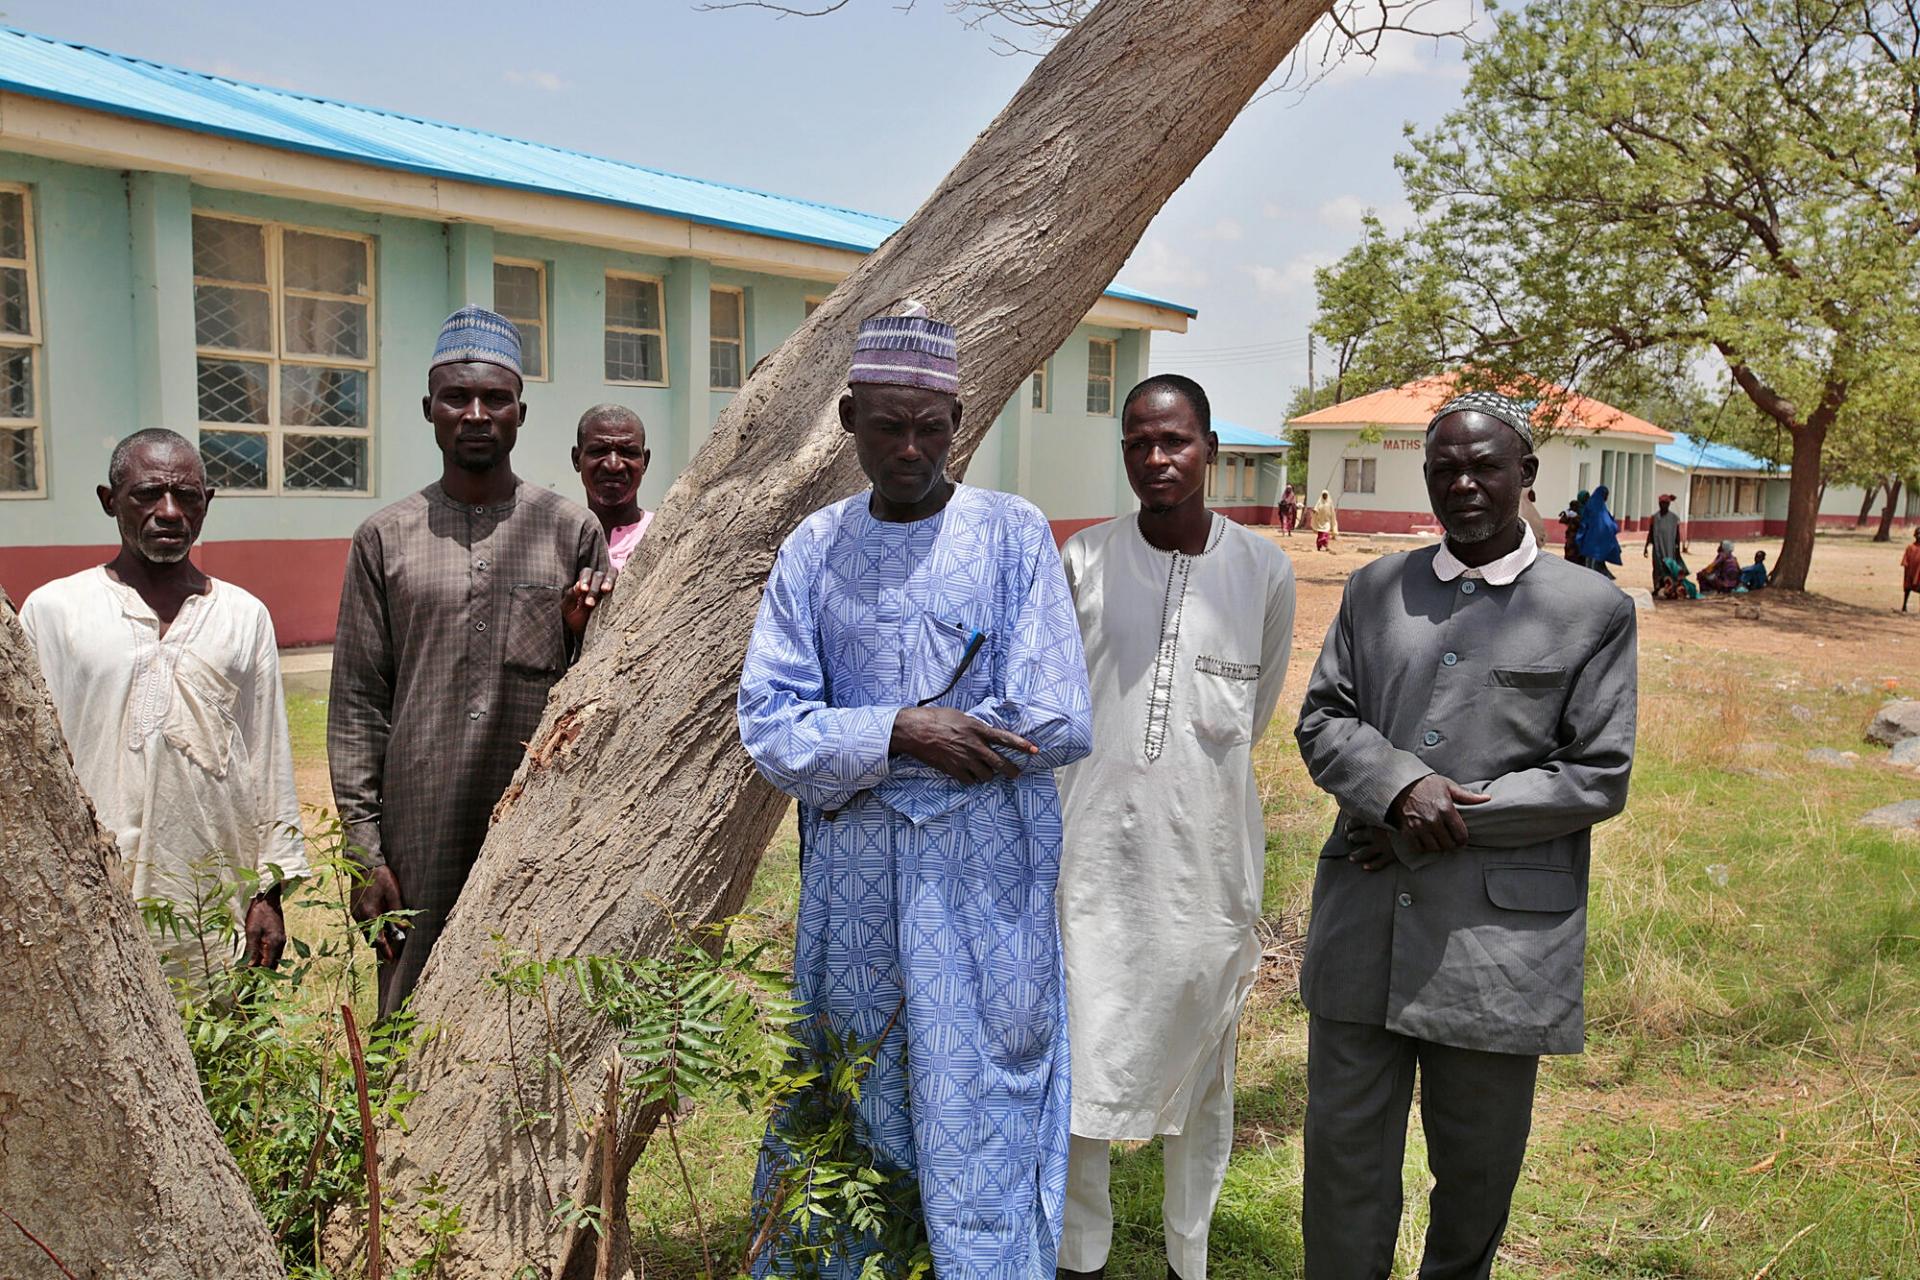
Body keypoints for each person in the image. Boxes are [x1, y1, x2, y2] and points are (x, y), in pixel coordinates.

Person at [736, 302, 1091, 1278]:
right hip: (856, 910)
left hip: (983, 902)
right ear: (849, 416)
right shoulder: (813, 551)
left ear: (959, 419)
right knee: (853, 1101)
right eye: (888, 423)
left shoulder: (1014, 536)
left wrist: (896, 748)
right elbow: (770, 723)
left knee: (983, 1111)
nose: (910, 446)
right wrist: (901, 727)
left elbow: (1059, 713)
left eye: (931, 425)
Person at [1294, 389, 1637, 1280]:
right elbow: (1325, 720)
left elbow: (1595, 774)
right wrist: (1399, 786)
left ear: (1526, 474)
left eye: (1486, 465)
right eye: (1444, 467)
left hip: (1498, 948)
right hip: (1362, 930)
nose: (1465, 483)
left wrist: (1427, 816)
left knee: (1476, 1177)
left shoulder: (1590, 608)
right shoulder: (1376, 589)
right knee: (1342, 1168)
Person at [1055, 375, 1295, 1280]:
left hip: (1206, 861)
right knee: (1083, 1045)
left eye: (1175, 442)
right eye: (1138, 443)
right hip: (1089, 857)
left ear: (1210, 451)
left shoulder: (1263, 570)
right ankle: (1082, 1252)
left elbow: (1255, 711)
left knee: (1204, 1064)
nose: (1156, 459)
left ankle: (1186, 1256)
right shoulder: (1081, 560)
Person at [328, 306, 613, 1016]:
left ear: (521, 411)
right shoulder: (383, 538)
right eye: (458, 397)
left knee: (532, 1004)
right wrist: (366, 852)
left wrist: (579, 629)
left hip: (534, 821)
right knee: (409, 1005)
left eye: (496, 398)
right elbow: (359, 702)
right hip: (418, 827)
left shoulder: (571, 531)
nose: (477, 413)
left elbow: (602, 685)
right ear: (430, 410)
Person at [20, 428, 305, 981]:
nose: (169, 512)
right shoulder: (55, 611)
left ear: (208, 504)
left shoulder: (243, 616)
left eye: (187, 497)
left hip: (211, 894)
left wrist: (268, 894)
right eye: (147, 494)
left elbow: (269, 759)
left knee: (219, 1048)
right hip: (87, 892)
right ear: (109, 500)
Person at [571, 404, 653, 571]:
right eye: (599, 451)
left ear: (645, 461)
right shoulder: (559, 537)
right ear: (576, 459)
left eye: (628, 452)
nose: (613, 465)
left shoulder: (667, 533)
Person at [1574, 485, 1622, 577]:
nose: (1606, 498)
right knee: (1593, 567)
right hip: (1596, 544)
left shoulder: (1597, 506)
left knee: (1590, 566)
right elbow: (1608, 524)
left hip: (1590, 543)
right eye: (1606, 495)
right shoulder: (1598, 507)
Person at [1644, 494, 1686, 590]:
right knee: (1657, 567)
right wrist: (1646, 547)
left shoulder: (1674, 518)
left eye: (1665, 504)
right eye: (1661, 503)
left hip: (1669, 549)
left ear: (1668, 505)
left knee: (1669, 567)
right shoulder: (1654, 518)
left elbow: (1677, 536)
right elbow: (1650, 532)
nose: (1663, 506)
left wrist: (1678, 549)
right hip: (1658, 548)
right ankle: (1657, 587)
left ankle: (1669, 587)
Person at [1557, 490, 1587, 562]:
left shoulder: (1587, 509)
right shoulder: (1573, 511)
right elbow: (1562, 520)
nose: (1587, 499)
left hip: (1583, 538)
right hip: (1573, 538)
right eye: (1586, 497)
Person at [1903, 529, 1920, 611]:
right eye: (1918, 533)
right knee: (1907, 589)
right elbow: (1905, 561)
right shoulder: (1910, 547)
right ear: (1915, 535)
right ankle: (1904, 605)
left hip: (1919, 573)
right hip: (1911, 572)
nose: (1919, 535)